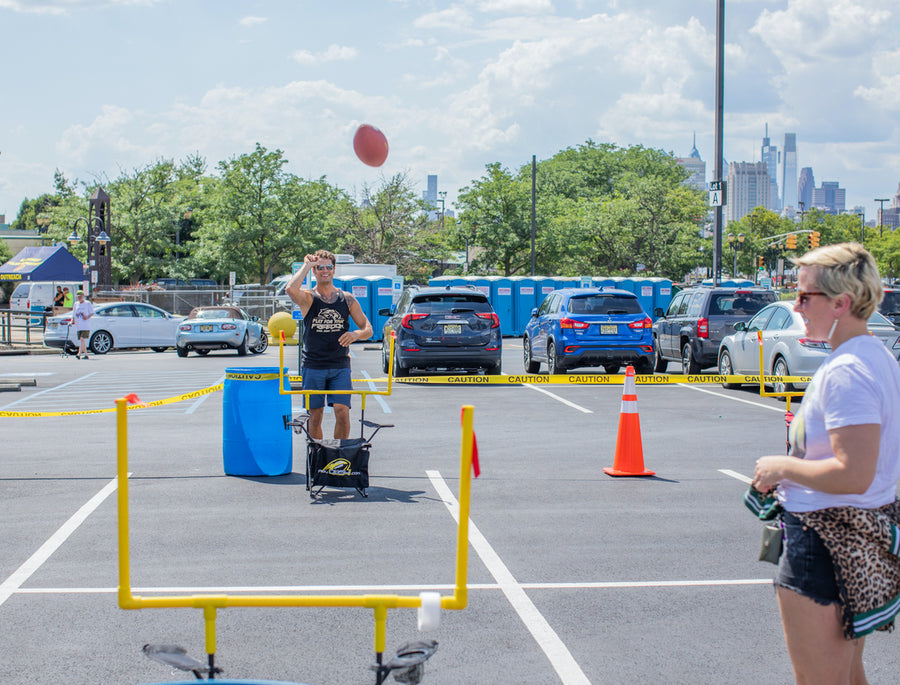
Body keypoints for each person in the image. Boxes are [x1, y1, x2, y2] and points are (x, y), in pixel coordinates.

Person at [753, 242, 900, 685]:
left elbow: (852, 472)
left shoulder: (847, 370)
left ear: (842, 302)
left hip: (823, 541)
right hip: (858, 535)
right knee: (849, 675)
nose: (795, 306)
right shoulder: (876, 356)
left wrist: (781, 468)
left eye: (804, 296)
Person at [285, 250, 373, 440]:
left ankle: (339, 457)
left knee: (342, 411)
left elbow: (368, 329)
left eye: (328, 267)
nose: (325, 271)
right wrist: (306, 266)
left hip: (339, 365)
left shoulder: (346, 298)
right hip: (313, 365)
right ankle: (318, 455)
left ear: (334, 270)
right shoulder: (309, 298)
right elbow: (290, 290)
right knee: (315, 416)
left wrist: (355, 334)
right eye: (320, 268)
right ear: (315, 272)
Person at [72, 290, 94, 359]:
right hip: (79, 325)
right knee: (82, 340)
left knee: (82, 339)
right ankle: (86, 354)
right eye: (78, 296)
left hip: (85, 325)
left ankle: (79, 354)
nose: (79, 298)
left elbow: (92, 312)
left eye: (80, 296)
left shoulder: (87, 303)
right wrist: (72, 321)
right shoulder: (76, 304)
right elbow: (74, 314)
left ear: (83, 296)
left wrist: (87, 317)